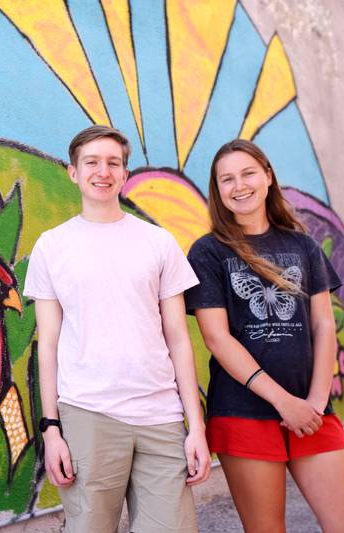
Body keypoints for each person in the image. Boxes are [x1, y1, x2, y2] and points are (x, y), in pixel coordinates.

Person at [23, 125, 210, 532]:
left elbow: (179, 339)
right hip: (88, 414)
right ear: (73, 172)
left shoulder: (158, 243)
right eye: (92, 162)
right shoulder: (52, 247)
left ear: (124, 174)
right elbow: (48, 346)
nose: (102, 172)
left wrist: (195, 427)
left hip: (160, 416)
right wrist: (51, 429)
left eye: (113, 163)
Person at [184, 139, 344, 532]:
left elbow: (323, 325)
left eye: (248, 173)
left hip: (312, 412)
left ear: (267, 176)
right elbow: (217, 339)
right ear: (217, 190)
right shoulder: (208, 252)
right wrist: (283, 402)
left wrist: (316, 403)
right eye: (226, 179)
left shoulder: (302, 245)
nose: (239, 185)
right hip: (244, 412)